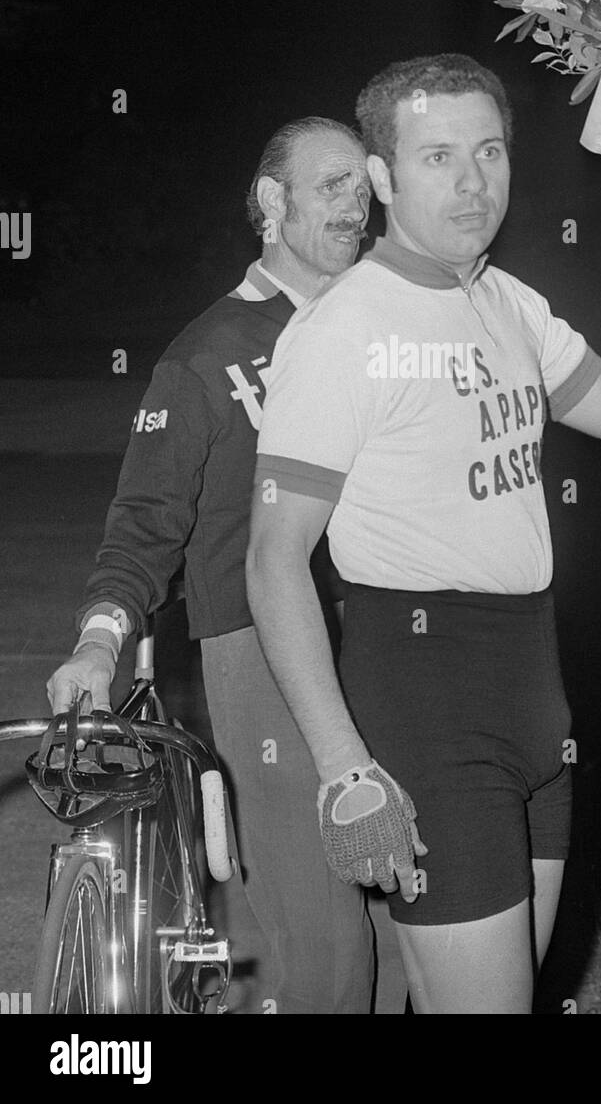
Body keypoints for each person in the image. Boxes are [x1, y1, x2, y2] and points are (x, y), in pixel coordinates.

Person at [246, 53, 601, 1014]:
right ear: (386, 179)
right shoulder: (344, 328)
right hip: (425, 705)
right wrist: (344, 767)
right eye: (438, 157)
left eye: (489, 151)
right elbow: (273, 562)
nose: (472, 180)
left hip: (534, 689)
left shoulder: (505, 301)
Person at [46, 116, 382, 1014]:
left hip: (401, 638)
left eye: (365, 186)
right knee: (325, 935)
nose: (359, 207)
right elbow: (146, 521)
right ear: (273, 203)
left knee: (407, 910)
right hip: (262, 647)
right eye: (333, 186)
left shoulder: (389, 321)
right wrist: (98, 643)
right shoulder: (206, 356)